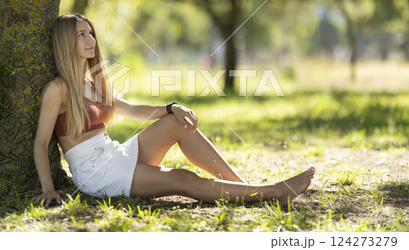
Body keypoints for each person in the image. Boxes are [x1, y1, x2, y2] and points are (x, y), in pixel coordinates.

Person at [33, 13, 315, 206]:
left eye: (90, 32)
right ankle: (274, 191)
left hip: (115, 153)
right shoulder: (57, 89)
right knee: (182, 178)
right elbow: (41, 143)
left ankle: (243, 188)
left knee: (178, 122)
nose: (90, 39)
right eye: (81, 34)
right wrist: (48, 189)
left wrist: (170, 107)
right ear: (65, 42)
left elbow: (131, 109)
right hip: (96, 172)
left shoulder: (93, 82)